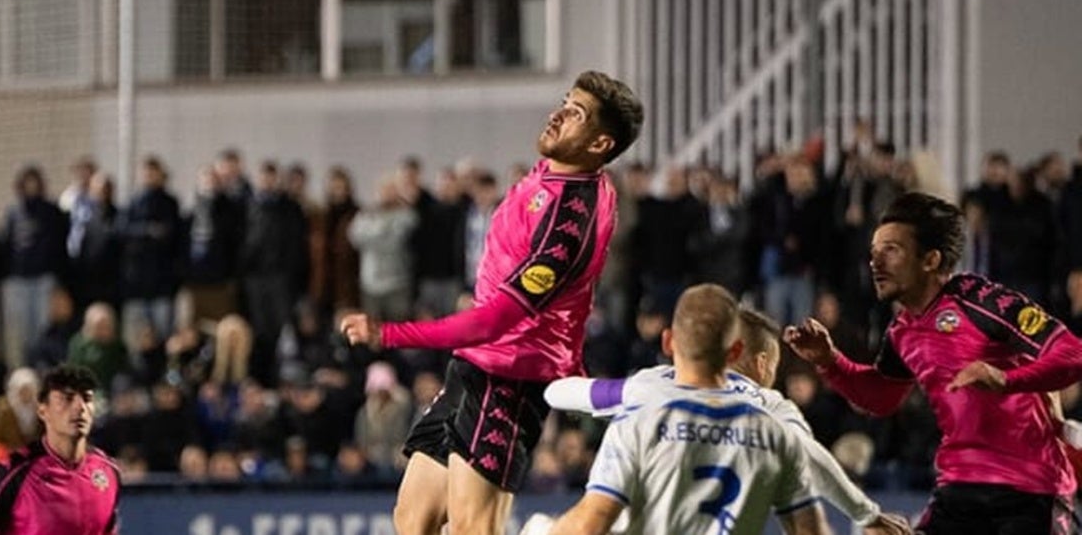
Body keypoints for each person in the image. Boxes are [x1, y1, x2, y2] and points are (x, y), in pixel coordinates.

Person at [341, 70, 644, 535]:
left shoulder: (570, 224)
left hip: (510, 377)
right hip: (473, 365)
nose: (558, 114)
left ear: (600, 144)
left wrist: (389, 333)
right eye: (565, 102)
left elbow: (492, 324)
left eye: (576, 113)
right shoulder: (556, 172)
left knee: (473, 528)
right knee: (413, 518)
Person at [785, 191, 1082, 534]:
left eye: (891, 250)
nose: (875, 262)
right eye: (874, 251)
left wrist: (1005, 379)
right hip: (959, 489)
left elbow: (1072, 354)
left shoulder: (982, 301)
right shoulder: (901, 331)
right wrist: (830, 362)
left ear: (930, 260)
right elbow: (882, 397)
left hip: (1030, 489)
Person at [540, 304, 910, 534]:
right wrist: (866, 513)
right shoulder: (771, 405)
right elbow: (810, 457)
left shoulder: (655, 382)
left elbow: (559, 393)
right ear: (762, 363)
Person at [0, 364, 121, 535]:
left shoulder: (108, 471)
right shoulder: (14, 471)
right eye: (67, 399)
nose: (80, 407)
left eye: (87, 398)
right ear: (42, 410)